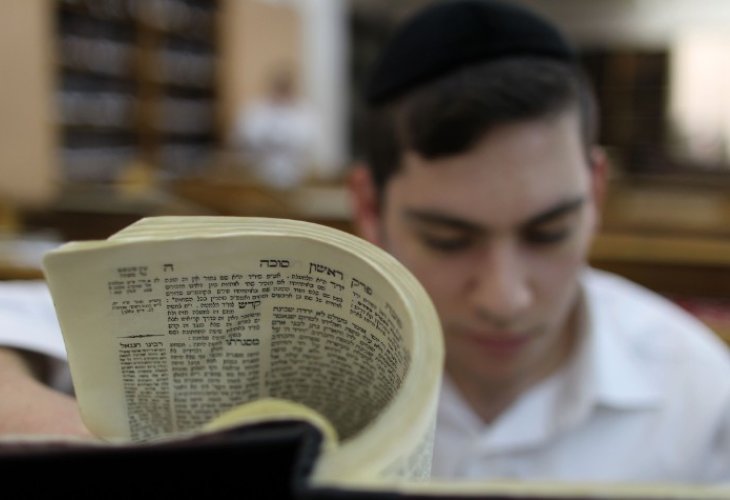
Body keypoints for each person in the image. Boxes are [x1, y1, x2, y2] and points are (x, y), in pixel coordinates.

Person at [347, 0, 730, 483]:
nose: (504, 300)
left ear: (595, 193)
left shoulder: (699, 394)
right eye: (448, 240)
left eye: (549, 233)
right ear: (369, 207)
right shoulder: (302, 386)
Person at [231, 65, 317, 189]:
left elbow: (308, 140)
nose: (281, 90)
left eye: (285, 86)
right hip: (258, 175)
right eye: (279, 86)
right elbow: (243, 137)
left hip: (296, 176)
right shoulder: (255, 110)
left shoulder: (304, 112)